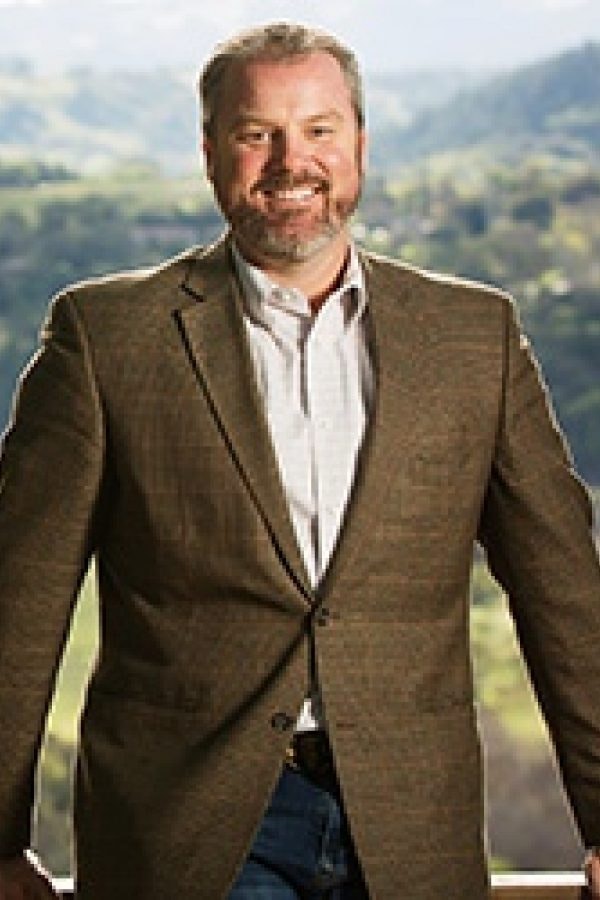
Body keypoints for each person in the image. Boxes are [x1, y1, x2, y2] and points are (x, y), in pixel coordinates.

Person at [0, 20, 599, 900]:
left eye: (319, 129)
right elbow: (18, 604)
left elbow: (565, 593)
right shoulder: (105, 339)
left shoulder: (476, 337)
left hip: (411, 822)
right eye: (258, 134)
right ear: (212, 153)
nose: (293, 162)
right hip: (188, 825)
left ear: (359, 143)